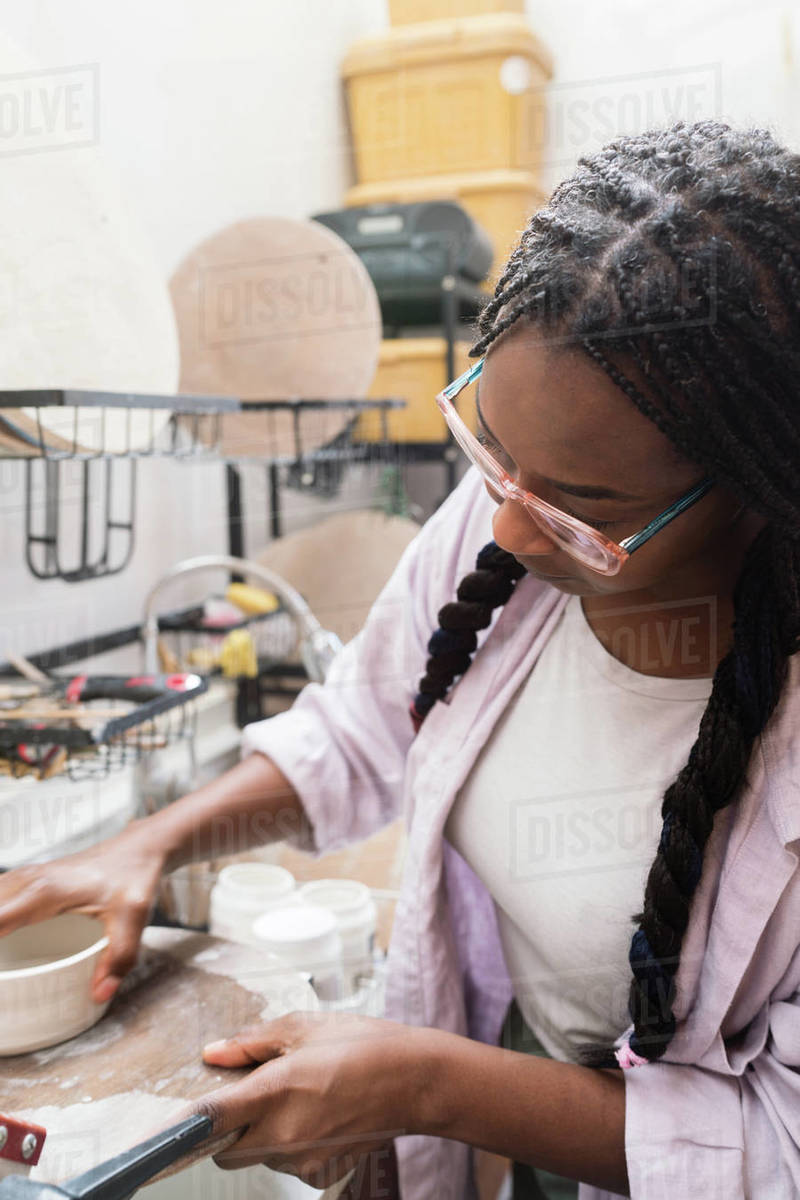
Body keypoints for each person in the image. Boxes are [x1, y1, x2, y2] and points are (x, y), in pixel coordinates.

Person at [2, 118, 800, 1200]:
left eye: (586, 508)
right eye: (491, 454)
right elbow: (358, 727)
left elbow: (776, 1141)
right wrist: (151, 841)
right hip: (544, 1099)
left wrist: (428, 1087)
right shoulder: (507, 516)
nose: (508, 532)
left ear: (761, 488)